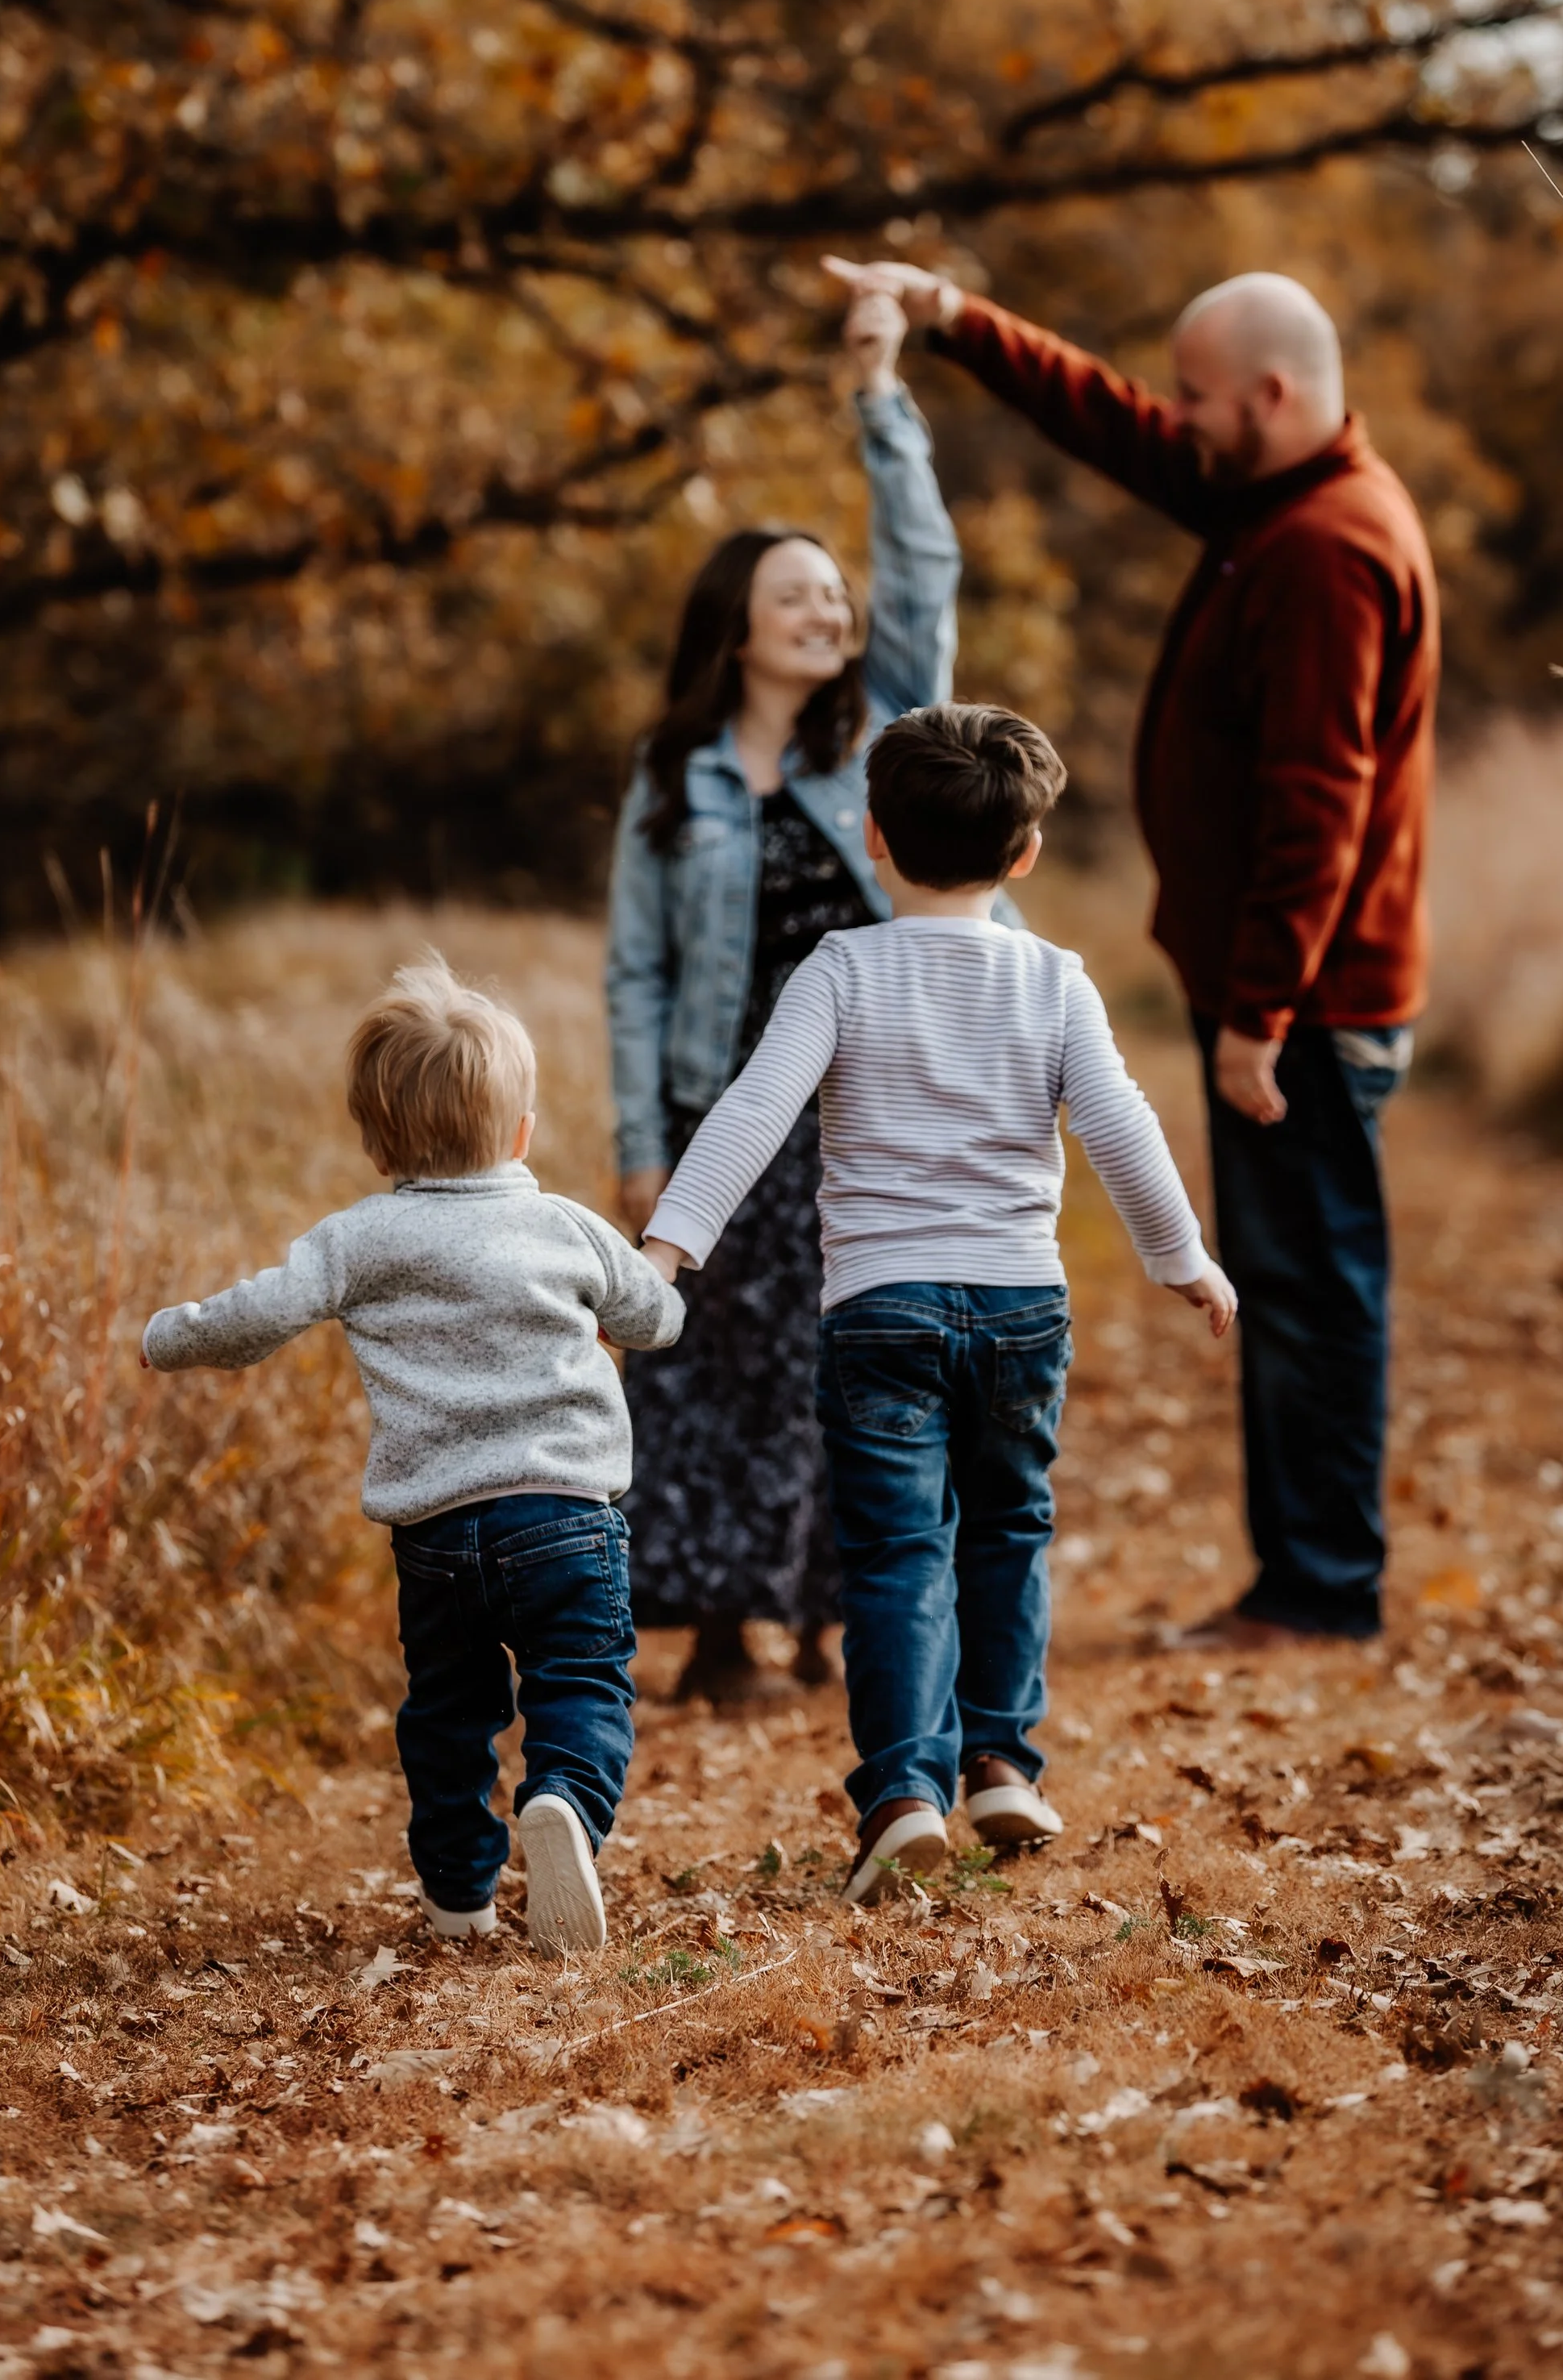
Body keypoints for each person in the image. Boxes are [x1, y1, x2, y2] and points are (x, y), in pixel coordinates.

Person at [820, 254, 1438, 1651]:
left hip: (1312, 1006)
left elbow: (1317, 799)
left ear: (1273, 396)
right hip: (1287, 993)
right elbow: (1113, 421)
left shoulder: (1330, 546)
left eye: (1200, 396)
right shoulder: (1273, 495)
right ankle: (1309, 1577)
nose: (1179, 417)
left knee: (1310, 1290)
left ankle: (1321, 1588)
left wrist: (1259, 1010)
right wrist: (956, 316)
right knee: (1293, 1278)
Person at [642, 701, 1236, 1899]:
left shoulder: (843, 969)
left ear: (872, 836)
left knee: (896, 1553)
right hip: (1021, 1307)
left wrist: (669, 1246)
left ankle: (904, 1793)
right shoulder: (1054, 977)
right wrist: (1183, 1252)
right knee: (1010, 1529)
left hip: (882, 1309)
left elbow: (754, 1109)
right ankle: (1004, 1760)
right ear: (1026, 854)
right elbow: (1119, 1121)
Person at [607, 293, 1001, 1706]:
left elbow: (928, 568)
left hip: (882, 1105)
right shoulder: (675, 780)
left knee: (866, 1351)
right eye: (798, 595)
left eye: (835, 596)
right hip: (733, 1115)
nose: (829, 610)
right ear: (736, 628)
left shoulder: (884, 736)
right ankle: (721, 1627)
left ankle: (843, 1620)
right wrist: (641, 1134)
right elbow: (636, 971)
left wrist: (882, 399)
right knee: (721, 1370)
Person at [140, 954, 683, 1954]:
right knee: (584, 1682)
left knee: (448, 1716)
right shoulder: (566, 1224)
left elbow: (256, 1315)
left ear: (376, 1142)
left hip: (437, 1536)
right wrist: (646, 1271)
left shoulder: (360, 1239)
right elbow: (657, 1322)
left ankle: (458, 1898)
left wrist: (168, 1334)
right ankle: (564, 1803)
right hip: (566, 1515)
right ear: (520, 1131)